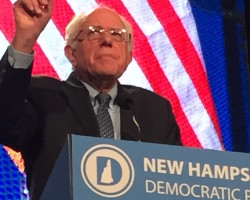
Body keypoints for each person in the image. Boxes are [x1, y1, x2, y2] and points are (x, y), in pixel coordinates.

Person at [0, 0, 182, 199]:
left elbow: (176, 184)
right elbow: (5, 123)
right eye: (94, 32)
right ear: (71, 54)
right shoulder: (45, 97)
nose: (107, 40)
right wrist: (25, 39)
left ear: (128, 56)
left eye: (117, 35)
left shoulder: (154, 109)